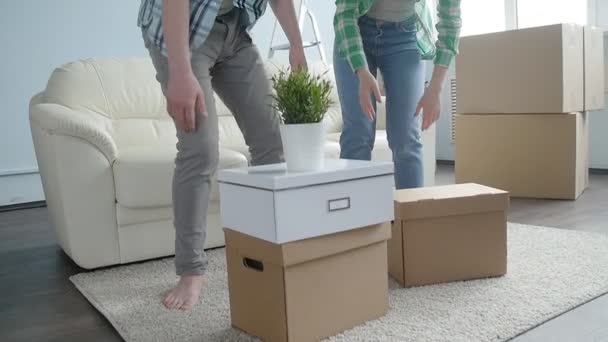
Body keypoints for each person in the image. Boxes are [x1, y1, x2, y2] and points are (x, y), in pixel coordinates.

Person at [137, 0, 307, 311]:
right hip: (180, 33)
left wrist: (296, 45)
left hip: (233, 30)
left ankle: (268, 250)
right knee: (200, 149)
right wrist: (180, 71)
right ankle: (190, 271)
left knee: (272, 141)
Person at [333, 0, 461, 189]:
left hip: (405, 36)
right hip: (356, 28)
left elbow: (450, 23)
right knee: (357, 133)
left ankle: (411, 216)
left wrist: (435, 88)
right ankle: (356, 217)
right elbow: (345, 13)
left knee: (406, 139)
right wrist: (361, 70)